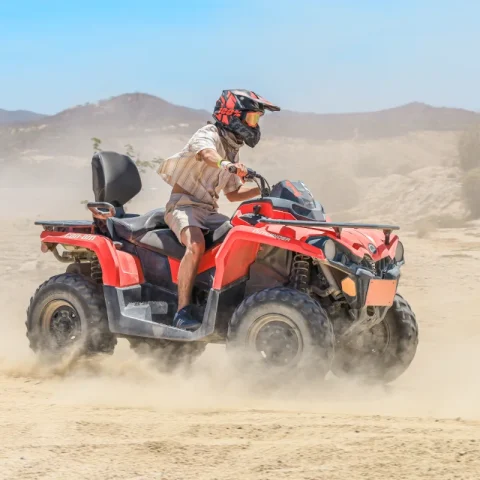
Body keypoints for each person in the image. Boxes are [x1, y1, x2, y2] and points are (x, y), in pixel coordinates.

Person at [157, 89, 281, 330]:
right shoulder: (208, 134)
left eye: (257, 119)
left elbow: (233, 194)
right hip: (182, 206)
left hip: (209, 211)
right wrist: (227, 164)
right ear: (232, 115)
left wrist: (263, 191)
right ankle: (182, 311)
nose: (254, 125)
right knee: (196, 246)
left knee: (241, 236)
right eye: (252, 118)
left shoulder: (233, 148)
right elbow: (206, 154)